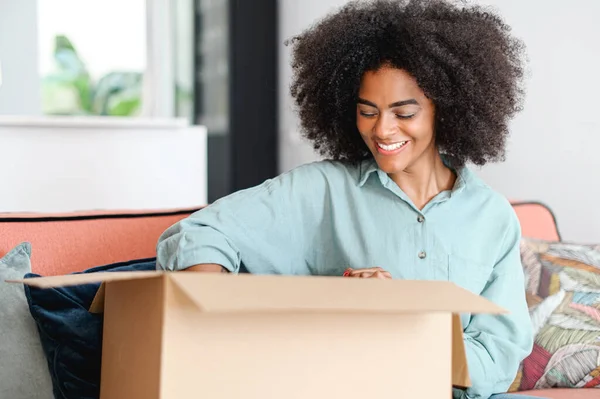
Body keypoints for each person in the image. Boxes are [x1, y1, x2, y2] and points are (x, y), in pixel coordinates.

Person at [157, 1, 538, 398]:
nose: (382, 130)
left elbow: (495, 361)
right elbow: (198, 234)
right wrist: (210, 333)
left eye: (403, 112)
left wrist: (400, 321)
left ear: (445, 109)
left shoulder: (492, 217)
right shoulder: (323, 190)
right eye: (367, 111)